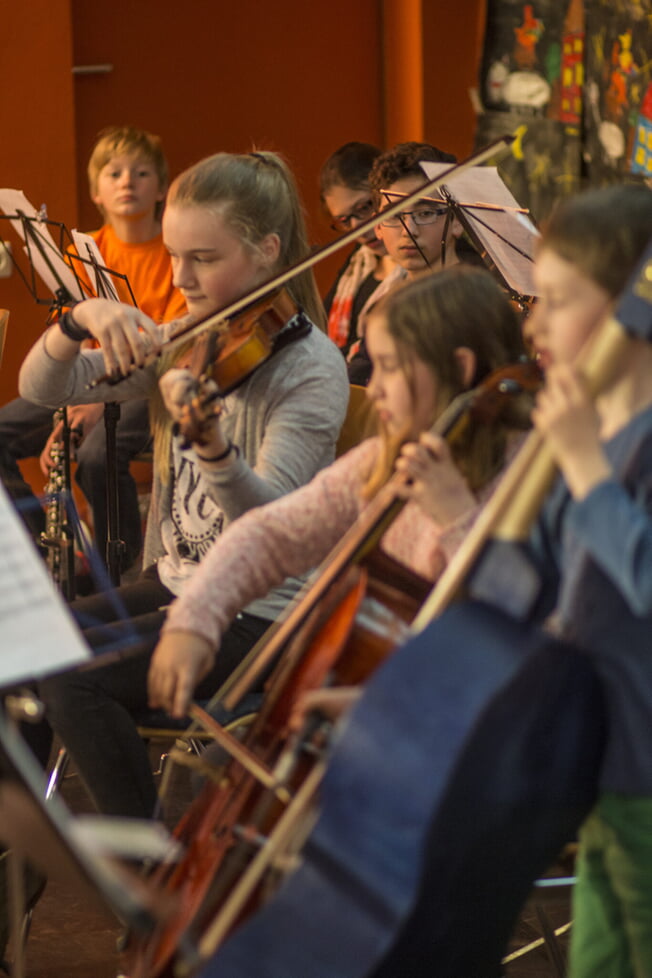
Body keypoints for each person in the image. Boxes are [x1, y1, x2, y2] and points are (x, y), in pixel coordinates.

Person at [18, 149, 349, 818]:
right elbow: (41, 388)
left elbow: (271, 526)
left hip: (262, 615)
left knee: (75, 683)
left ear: (266, 252)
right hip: (179, 580)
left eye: (203, 258)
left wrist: (212, 445)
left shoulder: (309, 370)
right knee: (20, 649)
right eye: (175, 255)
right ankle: (13, 860)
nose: (180, 277)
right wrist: (76, 321)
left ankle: (153, 889)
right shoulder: (193, 335)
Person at [147, 264, 529, 720]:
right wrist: (195, 620)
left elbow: (514, 625)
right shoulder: (384, 461)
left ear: (461, 368)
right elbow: (271, 534)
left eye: (390, 367)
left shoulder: (530, 477)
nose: (377, 389)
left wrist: (456, 519)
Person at [0, 125, 187, 572]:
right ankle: (38, 560)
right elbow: (66, 349)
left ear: (161, 188)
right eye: (114, 173)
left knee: (96, 454)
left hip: (146, 385)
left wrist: (91, 406)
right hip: (87, 381)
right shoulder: (86, 253)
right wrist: (66, 412)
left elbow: (167, 351)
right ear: (97, 191)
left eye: (141, 173)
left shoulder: (176, 251)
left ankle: (120, 576)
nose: (127, 182)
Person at [319, 141, 394, 379]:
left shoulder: (422, 268)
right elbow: (320, 331)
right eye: (344, 220)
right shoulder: (358, 262)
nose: (357, 228)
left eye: (365, 207)